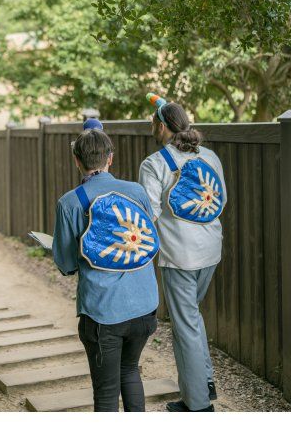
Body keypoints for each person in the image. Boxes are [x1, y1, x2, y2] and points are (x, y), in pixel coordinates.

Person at [52, 122, 160, 412]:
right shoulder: (136, 191)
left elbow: (65, 263)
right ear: (110, 158)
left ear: (76, 159)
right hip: (145, 306)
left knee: (106, 390)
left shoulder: (70, 203)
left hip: (104, 313)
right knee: (130, 371)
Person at [138, 93, 227, 412]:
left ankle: (198, 405)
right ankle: (205, 384)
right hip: (210, 249)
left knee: (185, 323)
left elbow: (147, 214)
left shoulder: (156, 163)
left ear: (161, 126)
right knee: (192, 317)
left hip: (180, 256)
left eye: (153, 122)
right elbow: (220, 200)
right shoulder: (210, 157)